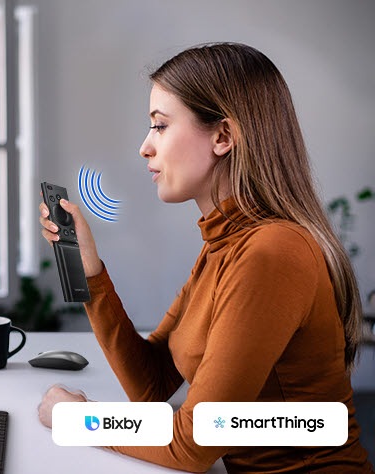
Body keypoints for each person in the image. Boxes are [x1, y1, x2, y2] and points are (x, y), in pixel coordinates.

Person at [37, 43, 373, 472]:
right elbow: (153, 384)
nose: (145, 147)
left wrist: (75, 420)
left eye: (159, 126)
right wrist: (92, 273)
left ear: (223, 137)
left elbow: (194, 446)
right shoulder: (224, 246)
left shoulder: (270, 253)